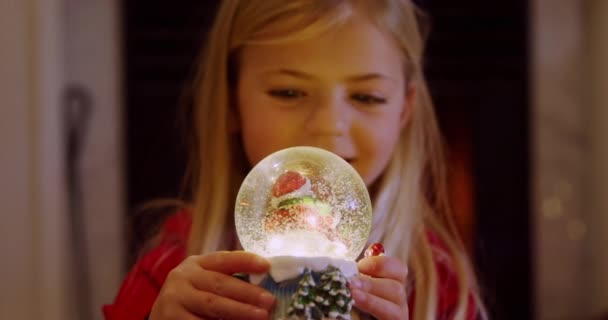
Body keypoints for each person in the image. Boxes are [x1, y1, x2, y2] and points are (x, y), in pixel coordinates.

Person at [104, 0, 487, 319]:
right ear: (231, 100)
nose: (328, 127)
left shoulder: (437, 283)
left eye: (367, 97)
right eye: (288, 92)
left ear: (404, 110)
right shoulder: (174, 273)